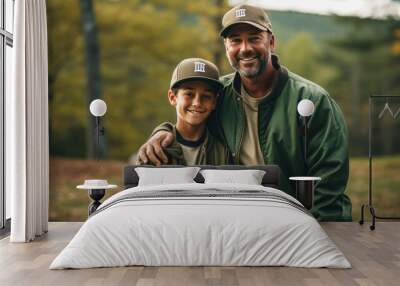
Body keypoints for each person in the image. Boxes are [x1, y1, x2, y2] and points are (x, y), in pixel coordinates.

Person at [137, 4, 352, 221]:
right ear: (226, 47)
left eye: (254, 38)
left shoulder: (312, 100)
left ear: (272, 41)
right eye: (235, 40)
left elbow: (329, 181)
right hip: (241, 219)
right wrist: (163, 132)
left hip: (300, 220)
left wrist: (311, 228)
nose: (245, 48)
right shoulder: (219, 96)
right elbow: (190, 119)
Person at [137, 57, 231, 165]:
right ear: (173, 97)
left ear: (214, 102)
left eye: (206, 96)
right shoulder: (156, 148)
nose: (197, 103)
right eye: (189, 94)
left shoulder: (222, 152)